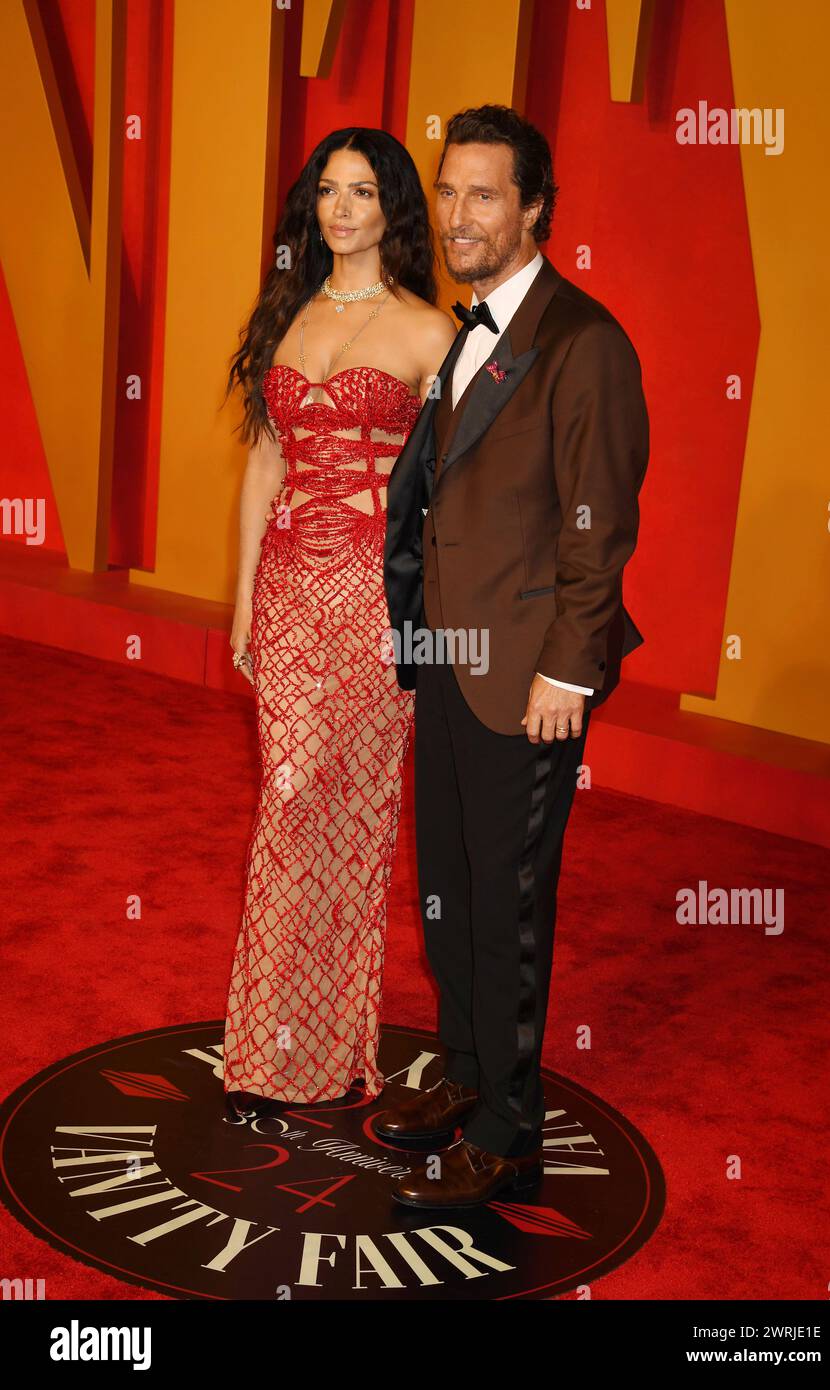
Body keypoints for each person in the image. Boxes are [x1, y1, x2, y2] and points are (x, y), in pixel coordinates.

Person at [380, 104, 649, 1206]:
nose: (457, 215)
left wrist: (567, 671)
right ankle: (464, 1069)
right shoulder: (468, 327)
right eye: (447, 192)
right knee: (445, 884)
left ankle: (509, 1120)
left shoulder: (584, 342)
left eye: (482, 194)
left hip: (528, 672)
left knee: (509, 900)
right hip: (449, 653)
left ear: (534, 209)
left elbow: (599, 523)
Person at [221, 128, 456, 1118]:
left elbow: (454, 485)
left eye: (362, 191)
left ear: (392, 207)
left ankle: (306, 1050)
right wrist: (241, 597)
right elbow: (266, 464)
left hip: (371, 599)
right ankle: (271, 1050)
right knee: (288, 803)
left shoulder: (429, 332)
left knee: (330, 810)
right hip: (285, 592)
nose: (342, 209)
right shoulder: (286, 312)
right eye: (328, 191)